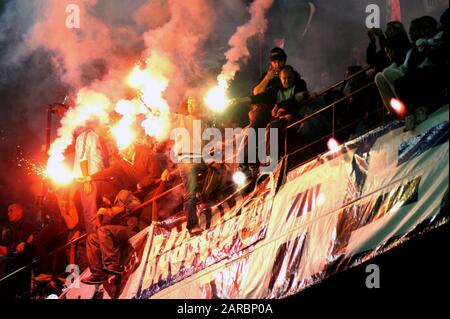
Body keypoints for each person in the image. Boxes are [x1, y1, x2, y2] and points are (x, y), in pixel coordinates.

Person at [82, 190, 141, 284]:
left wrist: (121, 209)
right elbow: (102, 231)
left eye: (105, 199)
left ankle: (113, 264)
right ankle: (98, 274)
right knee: (92, 238)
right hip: (116, 235)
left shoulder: (123, 194)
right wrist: (99, 216)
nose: (105, 201)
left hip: (130, 230)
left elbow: (137, 204)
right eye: (103, 201)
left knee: (103, 231)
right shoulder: (108, 209)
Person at [73, 122, 107, 234]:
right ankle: (93, 241)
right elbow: (83, 158)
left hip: (97, 179)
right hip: (89, 180)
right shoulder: (86, 135)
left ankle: (100, 237)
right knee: (91, 213)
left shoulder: (96, 137)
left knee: (99, 212)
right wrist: (86, 180)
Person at [0, 204, 37, 297]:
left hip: (21, 267)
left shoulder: (26, 225)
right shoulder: (13, 227)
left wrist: (9, 250)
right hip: (14, 265)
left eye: (11, 211)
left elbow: (35, 235)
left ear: (20, 212)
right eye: (8, 211)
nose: (8, 214)